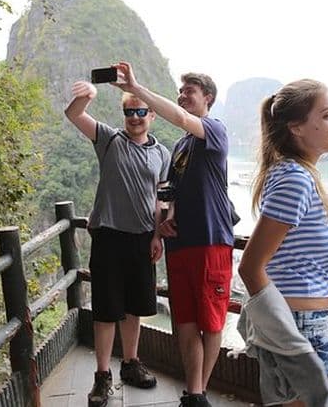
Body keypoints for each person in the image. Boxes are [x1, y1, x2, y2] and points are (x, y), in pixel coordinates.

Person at [237, 79, 328, 406]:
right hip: (301, 328)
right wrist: (291, 343)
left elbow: (297, 247)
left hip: (308, 324)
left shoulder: (301, 175)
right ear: (297, 127)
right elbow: (251, 266)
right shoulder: (294, 179)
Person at [113, 61, 233, 407]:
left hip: (211, 240)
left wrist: (136, 89)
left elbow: (181, 119)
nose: (182, 96)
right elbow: (170, 192)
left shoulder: (214, 130)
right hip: (179, 244)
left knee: (210, 322)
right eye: (180, 91)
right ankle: (194, 393)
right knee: (185, 320)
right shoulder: (180, 147)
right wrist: (165, 221)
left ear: (207, 98)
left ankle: (198, 393)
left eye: (189, 92)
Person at [64, 80, 170, 407]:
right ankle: (101, 376)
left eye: (141, 111)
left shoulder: (162, 153)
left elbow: (161, 200)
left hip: (142, 238)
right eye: (129, 112)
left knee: (134, 308)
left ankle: (130, 364)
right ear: (123, 113)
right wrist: (88, 96)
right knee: (106, 310)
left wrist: (157, 235)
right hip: (109, 236)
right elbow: (73, 114)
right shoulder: (109, 140)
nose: (135, 117)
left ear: (152, 115)